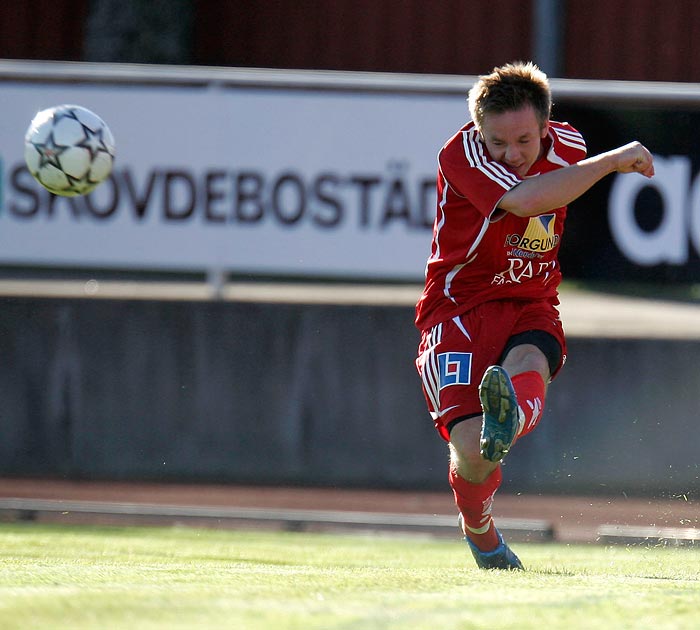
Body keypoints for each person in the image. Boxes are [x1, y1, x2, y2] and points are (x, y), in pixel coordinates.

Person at [414, 61, 654, 570]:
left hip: (531, 299)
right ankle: (480, 531)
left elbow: (557, 181)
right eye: (497, 141)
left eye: (523, 141)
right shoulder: (461, 154)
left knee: (532, 357)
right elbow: (525, 202)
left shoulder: (568, 143)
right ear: (480, 132)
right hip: (458, 308)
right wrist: (613, 162)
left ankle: (513, 417)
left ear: (546, 127)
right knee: (473, 458)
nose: (510, 154)